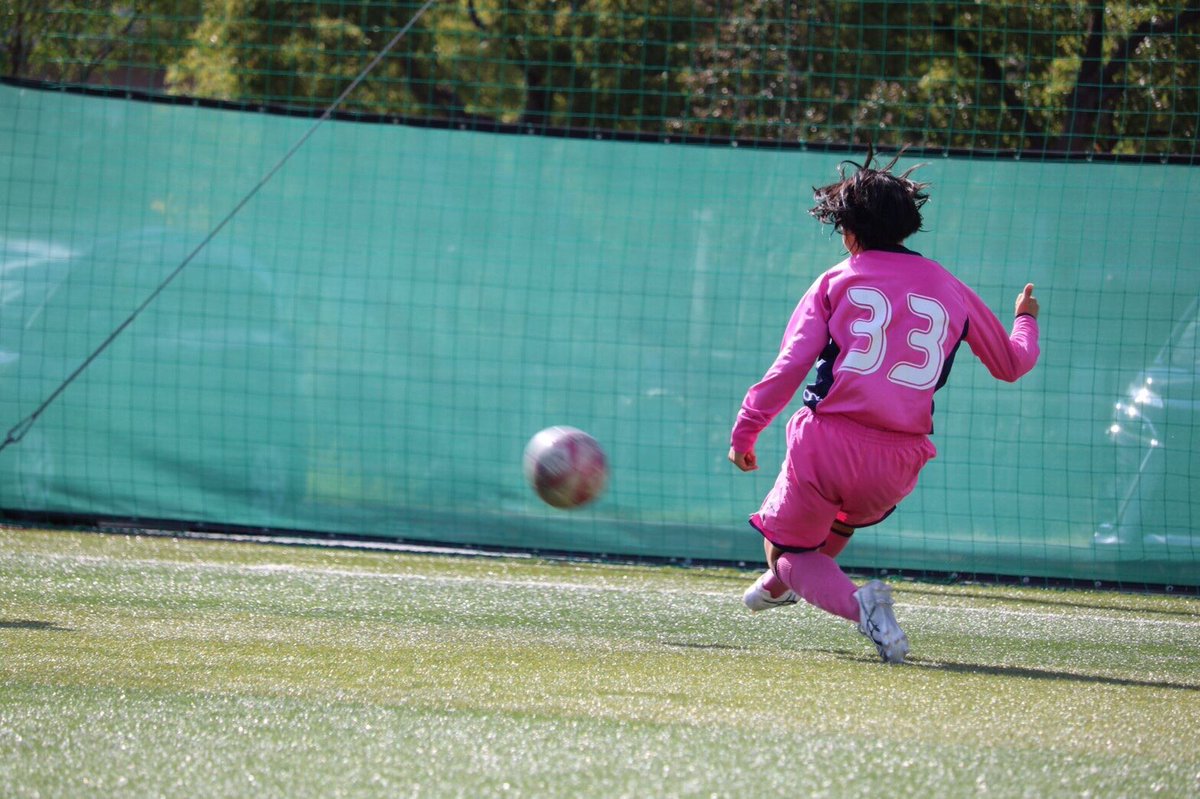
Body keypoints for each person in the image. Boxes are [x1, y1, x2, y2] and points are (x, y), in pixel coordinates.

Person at [728, 147, 1041, 663]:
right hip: (899, 461)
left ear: (848, 232)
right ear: (907, 227)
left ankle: (857, 605)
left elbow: (789, 367)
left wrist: (746, 432)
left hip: (828, 443)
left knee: (787, 550)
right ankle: (785, 585)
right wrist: (1024, 319)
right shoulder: (950, 288)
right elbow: (1011, 364)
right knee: (842, 518)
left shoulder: (836, 280)